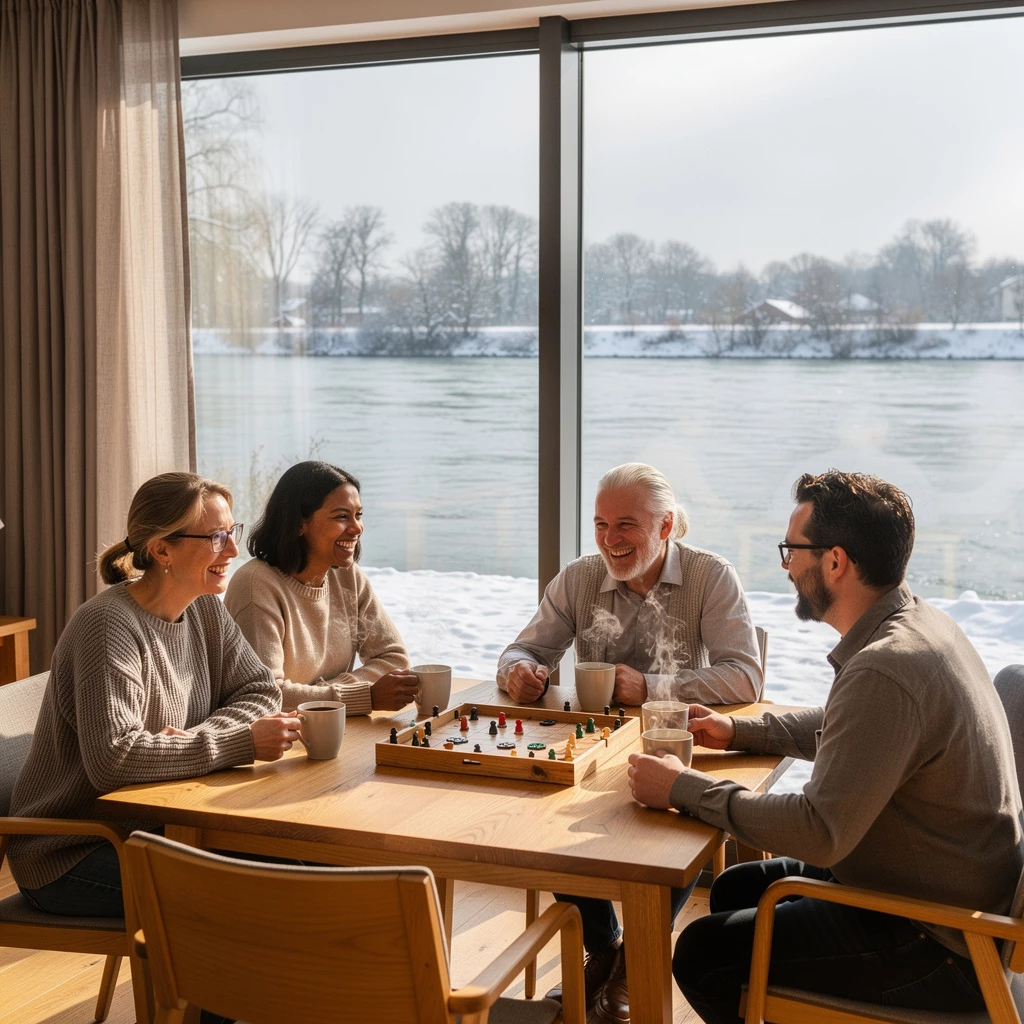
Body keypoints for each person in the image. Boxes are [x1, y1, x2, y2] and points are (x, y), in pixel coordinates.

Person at [628, 470, 1023, 1023]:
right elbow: (859, 731)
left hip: (945, 944)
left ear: (835, 562)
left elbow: (820, 831)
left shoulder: (886, 667)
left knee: (701, 955)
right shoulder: (919, 626)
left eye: (793, 550)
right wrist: (741, 731)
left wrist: (683, 788)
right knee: (739, 887)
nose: (786, 566)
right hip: (943, 891)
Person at [497, 462, 763, 1024]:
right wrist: (518, 671)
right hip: (594, 749)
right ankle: (607, 946)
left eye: (626, 525)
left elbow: (745, 676)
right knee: (539, 813)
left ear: (665, 527)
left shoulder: (711, 577)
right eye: (600, 524)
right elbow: (522, 649)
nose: (610, 540)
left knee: (682, 808)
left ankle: (634, 956)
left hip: (675, 745)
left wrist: (653, 687)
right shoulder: (578, 578)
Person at [8, 471, 296, 919]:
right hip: (74, 851)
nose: (234, 550)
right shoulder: (108, 627)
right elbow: (114, 760)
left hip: (155, 825)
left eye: (232, 532)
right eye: (217, 537)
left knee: (301, 864)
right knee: (257, 898)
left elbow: (260, 689)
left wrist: (189, 739)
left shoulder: (202, 608)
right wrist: (238, 741)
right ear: (162, 549)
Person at [225, 461, 417, 714]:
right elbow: (267, 695)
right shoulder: (255, 586)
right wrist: (362, 696)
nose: (357, 528)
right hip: (280, 743)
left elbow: (393, 660)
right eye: (341, 516)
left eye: (358, 514)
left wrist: (334, 696)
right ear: (299, 524)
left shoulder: (348, 577)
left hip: (332, 727)